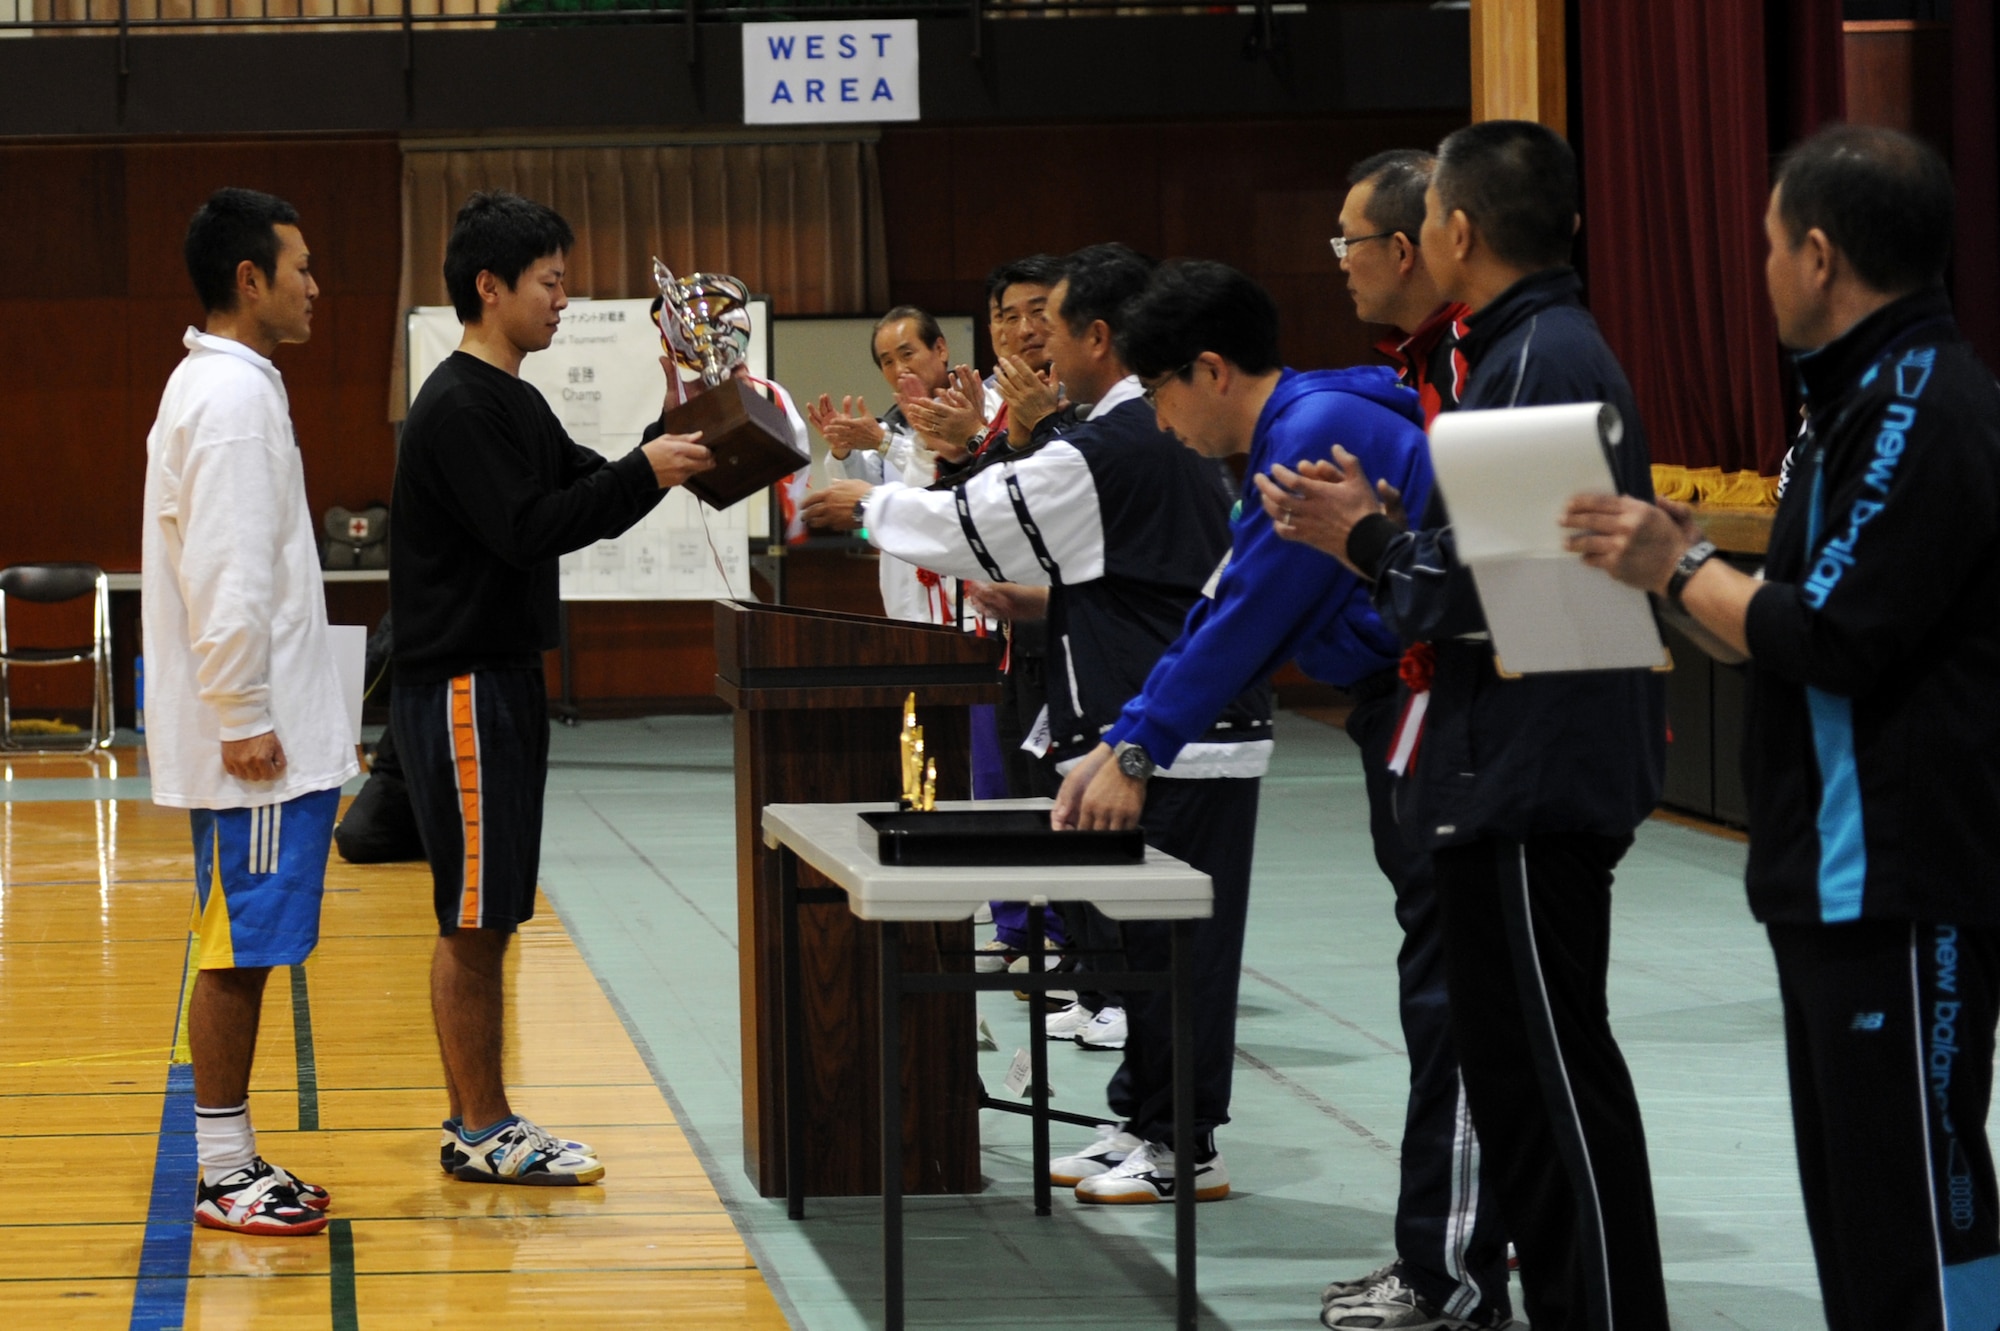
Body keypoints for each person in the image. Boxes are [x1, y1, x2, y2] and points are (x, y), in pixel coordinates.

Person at [1564, 124, 2000, 1331]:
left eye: (1763, 245)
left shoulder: (1919, 402)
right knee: (1859, 1215)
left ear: (1816, 254)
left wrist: (1682, 556)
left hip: (1902, 883)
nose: (1755, 269)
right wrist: (1662, 577)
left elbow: (1833, 638)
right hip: (1824, 878)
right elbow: (1773, 627)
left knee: (1920, 1203)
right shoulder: (1847, 402)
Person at [1256, 121, 1671, 1331]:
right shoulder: (1516, 348)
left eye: (1423, 211)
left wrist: (1368, 538)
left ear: (1454, 230)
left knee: (1551, 1087)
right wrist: (1396, 538)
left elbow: (1508, 583)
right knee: (1520, 1082)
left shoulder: (1539, 353)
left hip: (1533, 770)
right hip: (1507, 759)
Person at [802, 244, 1267, 1201]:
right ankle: (1144, 1121)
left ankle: (1185, 1144)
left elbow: (981, 518)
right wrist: (1042, 603)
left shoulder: (1119, 438)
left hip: (1183, 733)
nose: (1029, 344)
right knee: (1141, 948)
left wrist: (868, 505)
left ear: (1100, 337)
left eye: (1045, 329)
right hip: (1145, 722)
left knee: (1181, 953)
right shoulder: (1116, 430)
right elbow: (1119, 572)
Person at [390, 191, 713, 1185]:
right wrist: (646, 467)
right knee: (474, 915)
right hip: (462, 685)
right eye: (550, 280)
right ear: (489, 287)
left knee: (492, 910)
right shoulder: (456, 405)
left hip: (503, 681)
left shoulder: (513, 398)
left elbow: (594, 494)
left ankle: (482, 1119)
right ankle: (480, 1126)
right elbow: (531, 527)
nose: (563, 297)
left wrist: (677, 416)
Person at [1309, 150, 1511, 1331]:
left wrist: (1370, 544)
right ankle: (1447, 1260)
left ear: (1421, 242)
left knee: (1458, 1005)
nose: (1335, 258)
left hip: (1486, 737)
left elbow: (1481, 578)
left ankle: (1453, 1274)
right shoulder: (1422, 365)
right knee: (1446, 998)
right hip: (1432, 719)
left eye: (1350, 237)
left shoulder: (1507, 361)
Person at [142, 187, 358, 1235]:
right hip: (251, 750)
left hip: (267, 734)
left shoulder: (234, 387)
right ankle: (222, 1170)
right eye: (301, 266)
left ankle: (233, 1155)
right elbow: (224, 575)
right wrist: (242, 715)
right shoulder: (226, 400)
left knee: (252, 940)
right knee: (238, 944)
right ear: (249, 279)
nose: (316, 286)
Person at [807, 306, 976, 624]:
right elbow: (859, 503)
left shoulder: (975, 413)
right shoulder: (888, 428)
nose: (899, 369)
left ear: (940, 349)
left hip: (968, 606)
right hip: (905, 607)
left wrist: (883, 443)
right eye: (887, 361)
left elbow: (948, 481)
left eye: (907, 353)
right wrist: (844, 452)